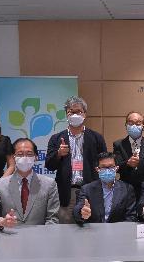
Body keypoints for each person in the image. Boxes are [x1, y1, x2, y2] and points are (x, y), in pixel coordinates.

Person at [45, 96, 107, 224]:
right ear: (66, 114)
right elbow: (49, 165)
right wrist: (58, 154)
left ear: (85, 114)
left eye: (78, 111)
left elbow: (105, 162)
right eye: (71, 112)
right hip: (67, 192)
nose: (75, 115)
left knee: (91, 229)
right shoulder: (56, 138)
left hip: (91, 189)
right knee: (66, 230)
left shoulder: (96, 138)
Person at [0, 138, 60, 231]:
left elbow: (53, 219)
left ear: (36, 157)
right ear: (13, 157)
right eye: (20, 154)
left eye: (29, 154)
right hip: (8, 239)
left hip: (39, 238)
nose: (24, 157)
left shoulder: (49, 184)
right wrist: (1, 222)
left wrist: (43, 238)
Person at [73, 152, 137, 224]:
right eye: (103, 167)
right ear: (97, 169)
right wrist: (82, 213)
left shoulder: (127, 189)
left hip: (118, 231)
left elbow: (131, 217)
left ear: (116, 168)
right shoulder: (87, 189)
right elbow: (77, 210)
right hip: (94, 232)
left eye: (110, 167)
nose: (107, 170)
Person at [113, 111, 144, 199]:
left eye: (138, 123)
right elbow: (116, 167)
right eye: (130, 123)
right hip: (125, 188)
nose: (134, 126)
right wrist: (127, 163)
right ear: (126, 125)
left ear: (143, 127)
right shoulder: (118, 144)